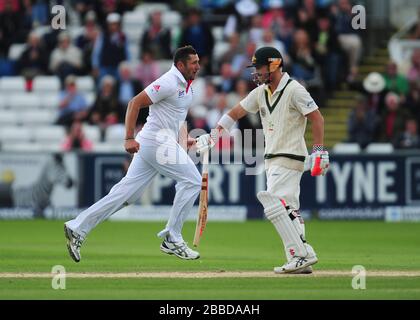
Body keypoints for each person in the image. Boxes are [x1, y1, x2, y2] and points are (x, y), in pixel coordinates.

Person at [195, 47, 329, 274]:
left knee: (274, 204)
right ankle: (299, 257)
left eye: (260, 67)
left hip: (288, 156)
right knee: (288, 209)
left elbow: (317, 118)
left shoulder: (295, 90)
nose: (256, 72)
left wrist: (318, 151)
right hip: (272, 158)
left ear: (274, 66)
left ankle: (303, 254)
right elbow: (234, 113)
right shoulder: (261, 93)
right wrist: (214, 136)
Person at [64, 46, 202, 262]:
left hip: (157, 142)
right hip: (155, 141)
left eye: (198, 61)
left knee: (126, 195)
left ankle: (77, 227)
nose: (198, 66)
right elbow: (134, 103)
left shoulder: (187, 87)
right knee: (193, 181)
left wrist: (184, 140)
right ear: (181, 65)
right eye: (193, 62)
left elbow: (175, 118)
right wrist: (128, 137)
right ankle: (172, 238)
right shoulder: (168, 81)